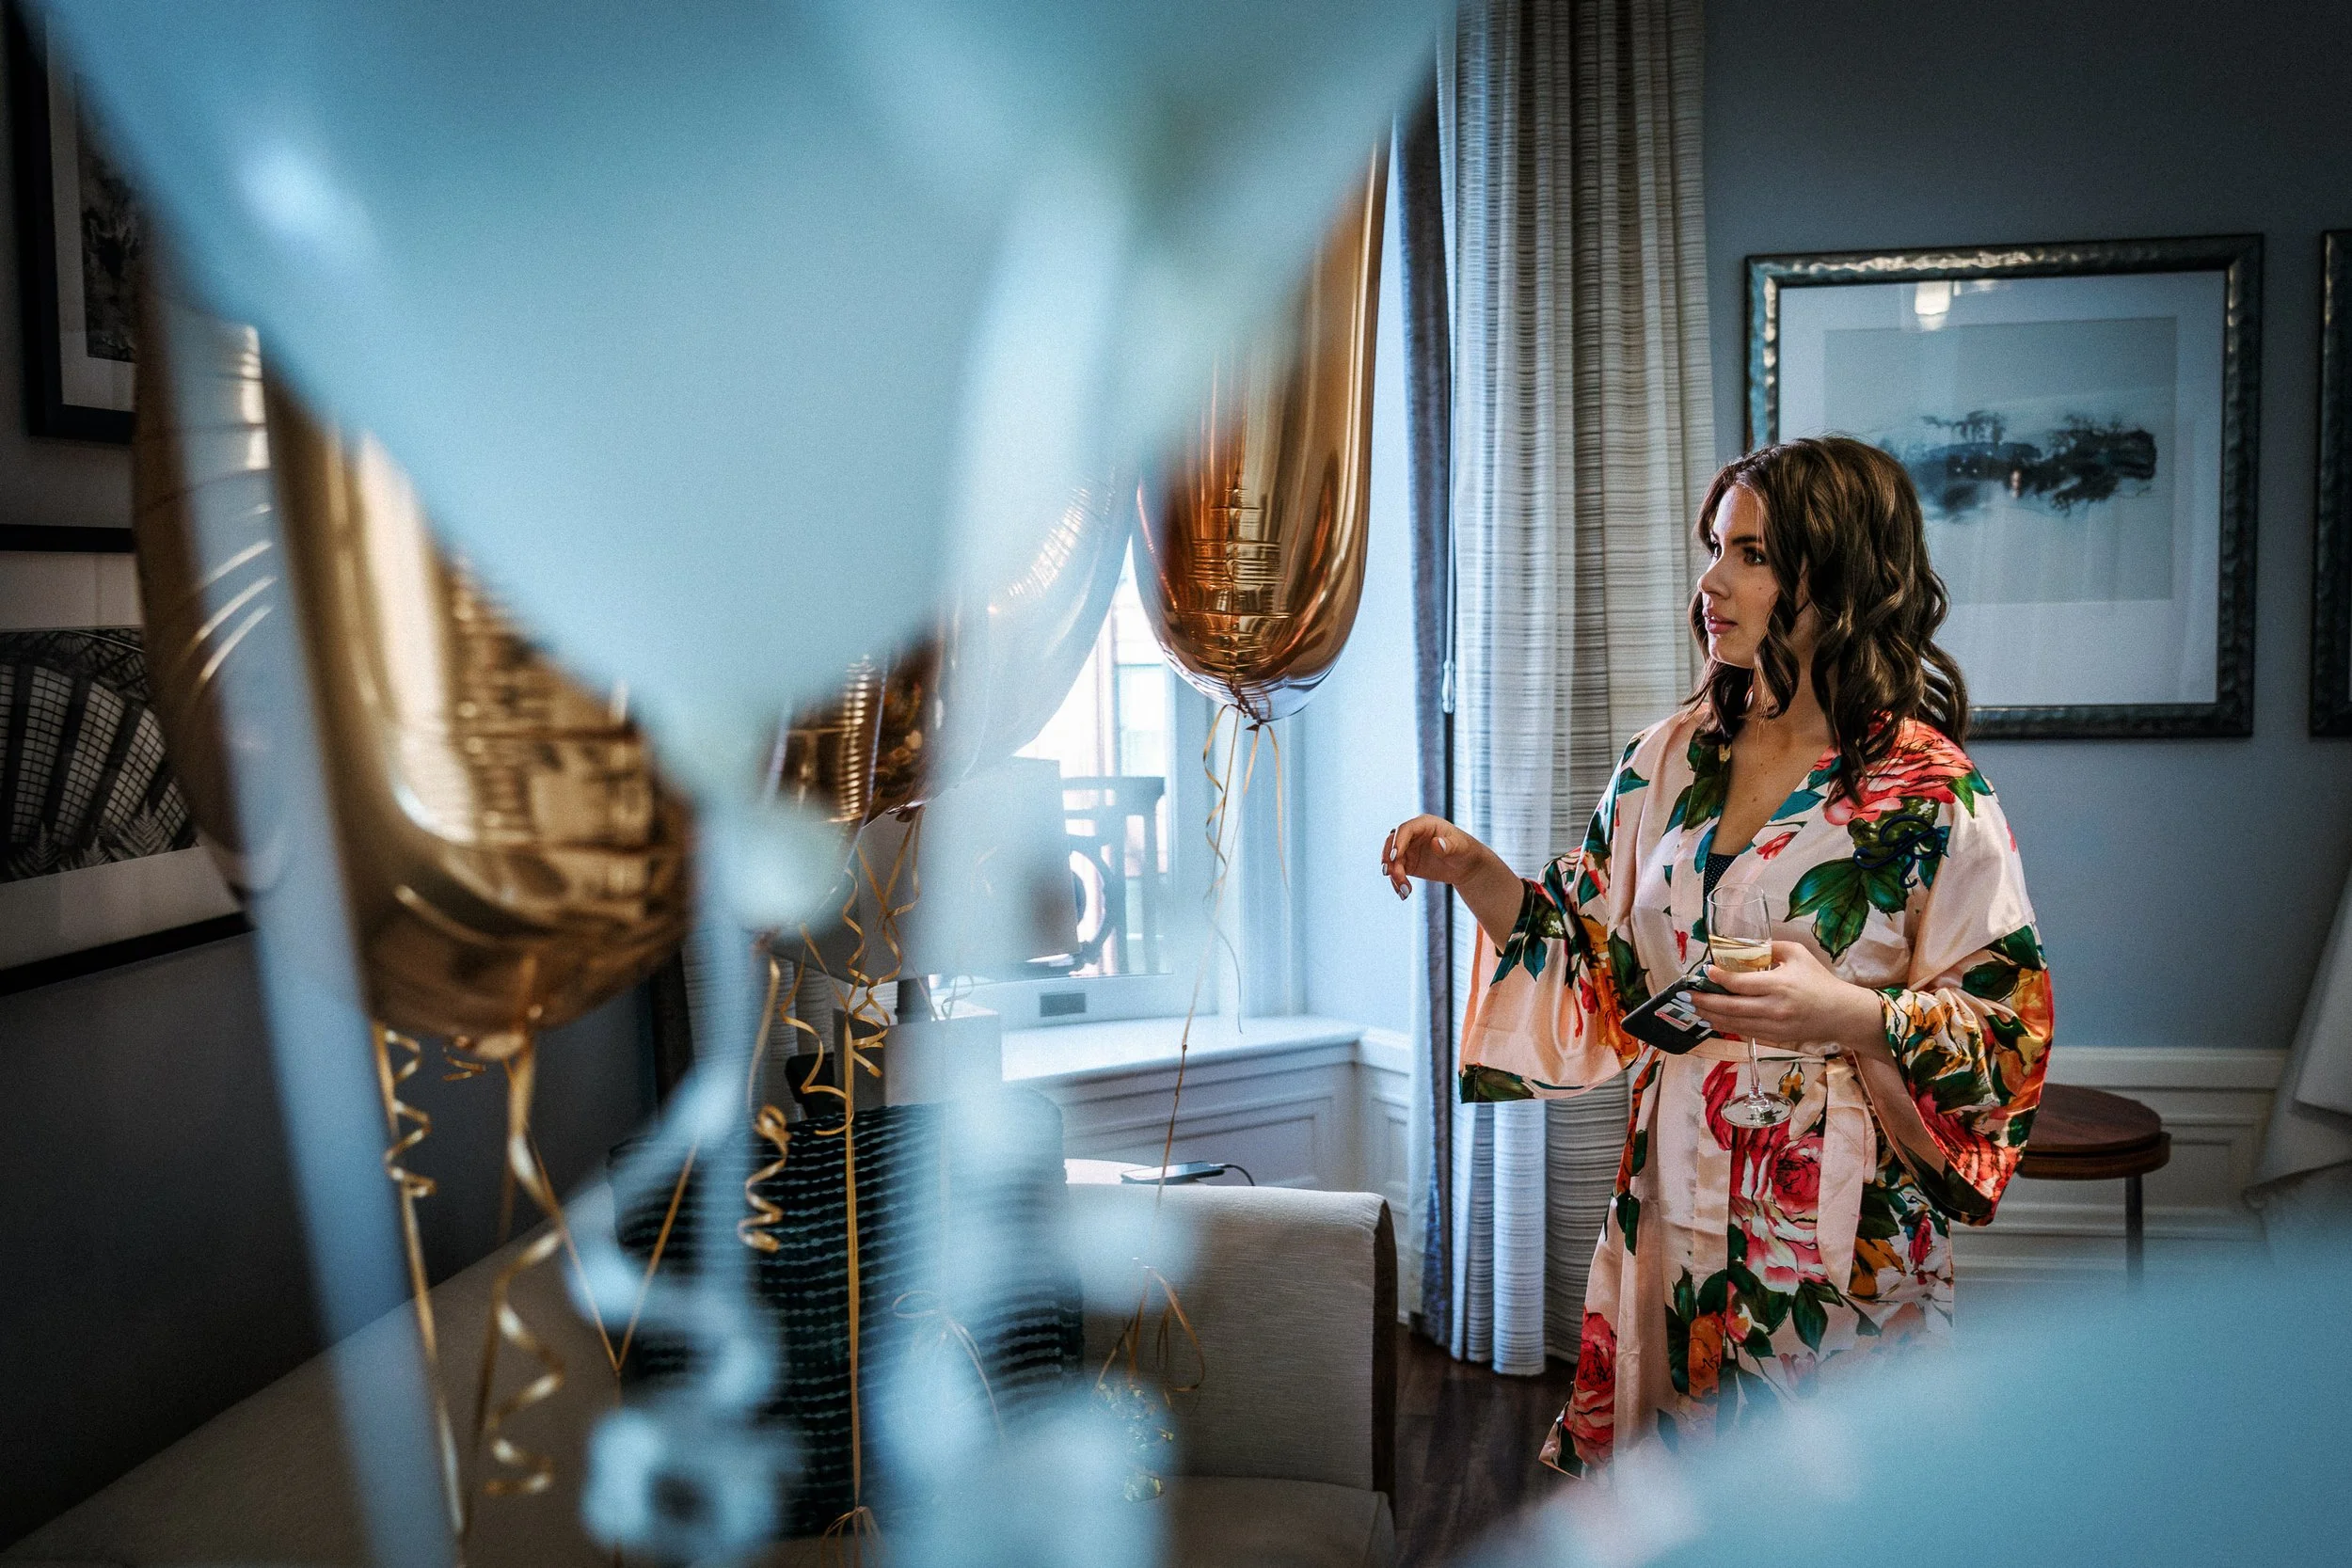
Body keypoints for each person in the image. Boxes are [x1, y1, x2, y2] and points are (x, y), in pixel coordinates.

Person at [1381, 436, 2052, 1474]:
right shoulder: (1668, 757)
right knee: (1673, 1493)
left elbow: (2008, 1030)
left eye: (1750, 554)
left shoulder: (1931, 792)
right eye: (1714, 548)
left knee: (1828, 1501)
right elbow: (1590, 951)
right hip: (1672, 1189)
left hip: (1838, 1221)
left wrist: (1852, 1013)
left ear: (1837, 575)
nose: (1710, 582)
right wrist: (1472, 868)